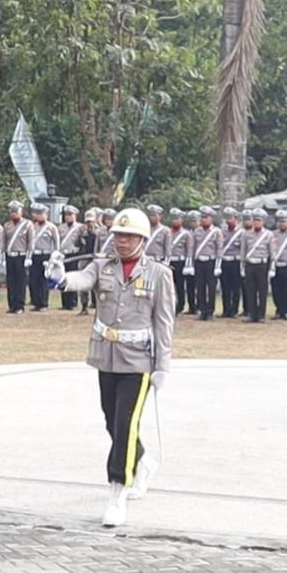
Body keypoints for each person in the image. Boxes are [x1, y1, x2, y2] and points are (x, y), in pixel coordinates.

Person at [45, 207, 175, 529]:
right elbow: (82, 280)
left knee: (126, 424)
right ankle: (142, 461)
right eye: (118, 235)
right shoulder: (102, 267)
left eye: (129, 236)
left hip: (139, 361)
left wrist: (163, 365)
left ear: (142, 240)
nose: (122, 241)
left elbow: (164, 323)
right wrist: (61, 278)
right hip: (107, 356)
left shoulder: (159, 274)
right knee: (112, 421)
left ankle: (118, 489)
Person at [239, 209, 272, 323]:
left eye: (259, 220)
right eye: (255, 220)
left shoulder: (268, 234)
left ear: (263, 221)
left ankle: (261, 315)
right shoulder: (246, 234)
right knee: (250, 290)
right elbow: (243, 251)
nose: (256, 222)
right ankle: (252, 314)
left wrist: (272, 267)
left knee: (262, 291)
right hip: (250, 264)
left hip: (262, 264)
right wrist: (242, 266)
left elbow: (272, 253)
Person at [190, 206, 223, 321]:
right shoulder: (197, 231)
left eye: (206, 217)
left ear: (211, 218)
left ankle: (210, 311)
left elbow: (219, 249)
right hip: (199, 261)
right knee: (200, 287)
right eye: (202, 217)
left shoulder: (216, 231)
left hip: (211, 261)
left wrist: (218, 265)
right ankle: (202, 310)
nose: (204, 219)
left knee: (211, 287)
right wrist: (190, 263)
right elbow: (192, 247)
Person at [1, 201, 32, 314]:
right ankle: (12, 305)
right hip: (10, 255)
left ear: (21, 212)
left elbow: (30, 242)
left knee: (20, 281)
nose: (14, 214)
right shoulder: (7, 225)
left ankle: (20, 305)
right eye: (12, 212)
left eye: (16, 212)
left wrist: (29, 256)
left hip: (21, 255)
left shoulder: (27, 224)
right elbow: (4, 241)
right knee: (11, 281)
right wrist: (3, 256)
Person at [218, 207, 245, 319]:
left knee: (235, 287)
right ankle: (226, 310)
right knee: (225, 287)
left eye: (230, 218)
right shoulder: (221, 231)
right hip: (225, 261)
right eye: (226, 218)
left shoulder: (241, 232)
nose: (228, 220)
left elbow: (244, 249)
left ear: (236, 218)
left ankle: (234, 310)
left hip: (236, 261)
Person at [166, 209, 193, 315]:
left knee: (180, 286)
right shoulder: (167, 232)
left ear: (181, 220)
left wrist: (188, 264)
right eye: (173, 218)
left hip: (180, 262)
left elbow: (189, 249)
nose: (175, 221)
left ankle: (180, 306)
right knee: (168, 286)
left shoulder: (186, 234)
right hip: (169, 261)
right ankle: (170, 305)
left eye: (177, 218)